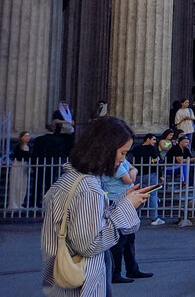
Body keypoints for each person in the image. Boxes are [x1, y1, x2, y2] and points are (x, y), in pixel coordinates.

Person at [39, 116, 153, 296]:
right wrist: (126, 208)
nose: (123, 160)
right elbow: (89, 245)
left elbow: (83, 224)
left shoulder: (70, 178)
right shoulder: (88, 188)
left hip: (61, 278)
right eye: (122, 153)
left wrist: (123, 200)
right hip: (82, 283)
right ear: (106, 149)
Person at [100, 157, 152, 283]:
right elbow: (130, 178)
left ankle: (132, 269)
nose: (123, 157)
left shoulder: (120, 161)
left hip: (124, 198)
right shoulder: (113, 162)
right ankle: (115, 273)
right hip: (117, 200)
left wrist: (132, 170)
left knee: (129, 237)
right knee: (120, 239)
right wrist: (133, 170)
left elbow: (131, 171)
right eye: (122, 152)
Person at [127, 134, 165, 226]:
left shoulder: (136, 148)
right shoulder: (152, 148)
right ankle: (154, 217)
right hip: (149, 173)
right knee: (153, 195)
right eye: (153, 139)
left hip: (138, 174)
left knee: (138, 194)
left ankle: (133, 216)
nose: (155, 142)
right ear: (148, 139)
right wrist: (160, 175)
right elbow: (156, 161)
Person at [6, 131, 32, 210]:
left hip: (25, 165)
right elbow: (18, 156)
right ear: (22, 137)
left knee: (23, 185)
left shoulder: (29, 147)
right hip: (18, 165)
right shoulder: (18, 146)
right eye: (26, 136)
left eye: (28, 136)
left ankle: (20, 202)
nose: (28, 137)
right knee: (16, 184)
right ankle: (13, 203)